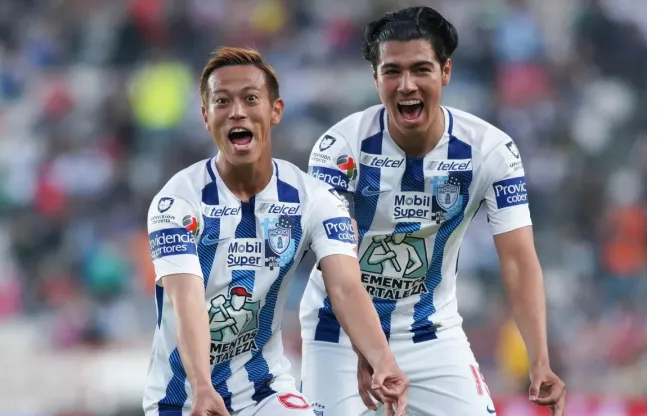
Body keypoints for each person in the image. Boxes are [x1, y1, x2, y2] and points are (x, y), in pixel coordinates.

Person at [299, 7, 566, 416]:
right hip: (338, 331)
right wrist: (368, 347)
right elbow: (337, 269)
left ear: (446, 71)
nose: (406, 85)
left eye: (421, 69)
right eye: (392, 71)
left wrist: (540, 359)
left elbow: (518, 260)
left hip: (431, 332)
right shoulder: (339, 149)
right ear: (375, 79)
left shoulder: (491, 151)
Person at [142, 46, 409, 416]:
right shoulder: (177, 203)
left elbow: (347, 286)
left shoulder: (314, 199)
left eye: (251, 99)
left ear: (275, 111)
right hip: (183, 399)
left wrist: (381, 359)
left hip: (266, 391)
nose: (237, 111)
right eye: (222, 101)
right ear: (206, 116)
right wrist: (202, 387)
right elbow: (186, 300)